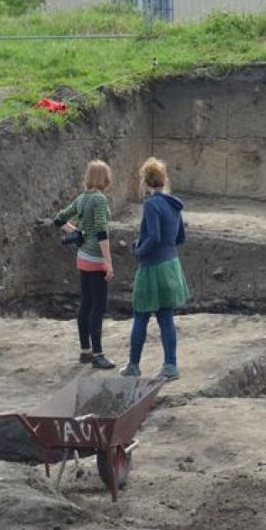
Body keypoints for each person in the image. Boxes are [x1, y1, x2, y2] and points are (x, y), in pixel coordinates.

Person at [121, 158, 190, 380]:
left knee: (141, 316)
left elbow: (154, 237)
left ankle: (133, 365)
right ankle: (171, 366)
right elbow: (180, 237)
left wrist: (139, 250)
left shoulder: (151, 205)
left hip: (152, 268)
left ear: (145, 182)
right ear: (164, 180)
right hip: (171, 266)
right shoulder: (174, 205)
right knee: (166, 318)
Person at [53, 159, 116, 369]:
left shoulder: (82, 198)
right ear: (105, 179)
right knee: (98, 307)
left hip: (82, 258)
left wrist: (76, 232)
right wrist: (108, 261)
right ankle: (98, 354)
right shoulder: (99, 200)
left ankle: (85, 351)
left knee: (86, 304)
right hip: (96, 259)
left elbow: (59, 219)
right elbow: (101, 231)